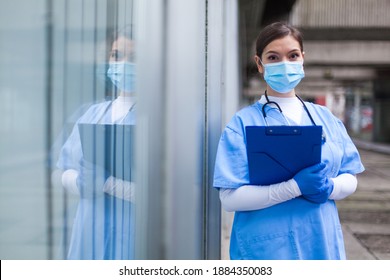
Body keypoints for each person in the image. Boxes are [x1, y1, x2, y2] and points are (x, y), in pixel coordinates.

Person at [213, 22, 365, 260]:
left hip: (320, 241)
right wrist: (293, 187)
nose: (285, 64)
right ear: (259, 64)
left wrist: (329, 187)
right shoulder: (242, 123)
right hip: (266, 249)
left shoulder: (325, 118)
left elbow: (351, 177)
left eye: (292, 55)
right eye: (273, 57)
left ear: (302, 58)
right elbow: (230, 198)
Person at [56, 26, 136, 259]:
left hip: (134, 236)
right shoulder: (92, 114)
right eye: (117, 55)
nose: (124, 63)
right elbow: (61, 171)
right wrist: (79, 181)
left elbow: (164, 193)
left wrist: (108, 184)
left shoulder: (158, 120)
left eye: (135, 58)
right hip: (89, 230)